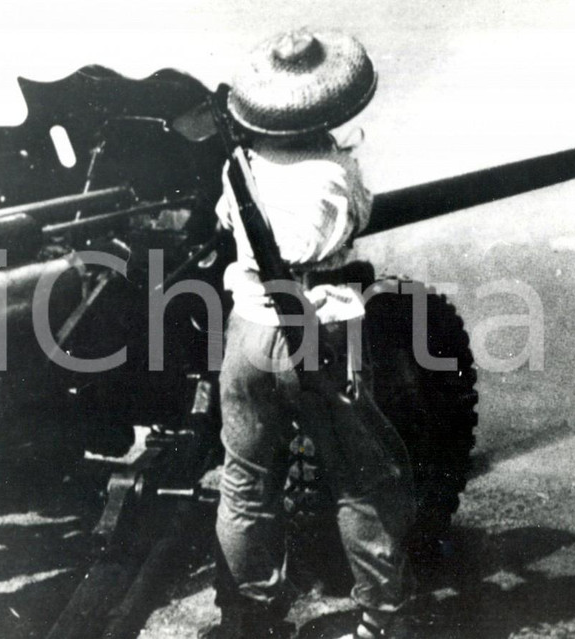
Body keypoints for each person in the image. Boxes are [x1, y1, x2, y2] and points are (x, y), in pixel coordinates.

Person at [203, 29, 417, 639]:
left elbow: (227, 222)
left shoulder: (239, 166)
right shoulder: (336, 167)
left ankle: (253, 617)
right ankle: (383, 621)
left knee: (245, 483)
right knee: (364, 481)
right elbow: (359, 216)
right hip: (320, 331)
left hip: (250, 331)